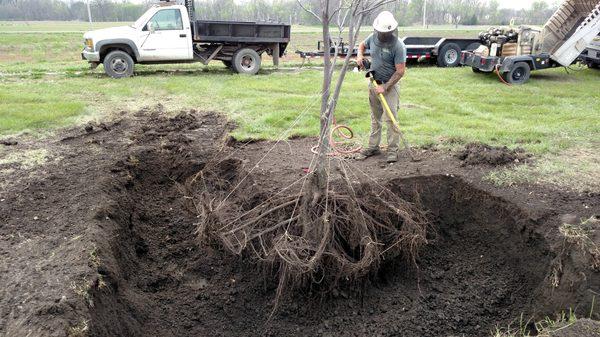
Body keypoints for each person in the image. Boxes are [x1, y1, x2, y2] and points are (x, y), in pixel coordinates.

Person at [355, 11, 407, 163]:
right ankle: (373, 147)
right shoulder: (373, 38)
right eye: (381, 32)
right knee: (375, 118)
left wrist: (385, 87)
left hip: (390, 86)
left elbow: (400, 71)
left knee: (391, 119)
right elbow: (362, 45)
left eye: (386, 33)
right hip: (374, 82)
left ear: (391, 31)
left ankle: (392, 151)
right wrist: (359, 56)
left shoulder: (398, 46)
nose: (383, 35)